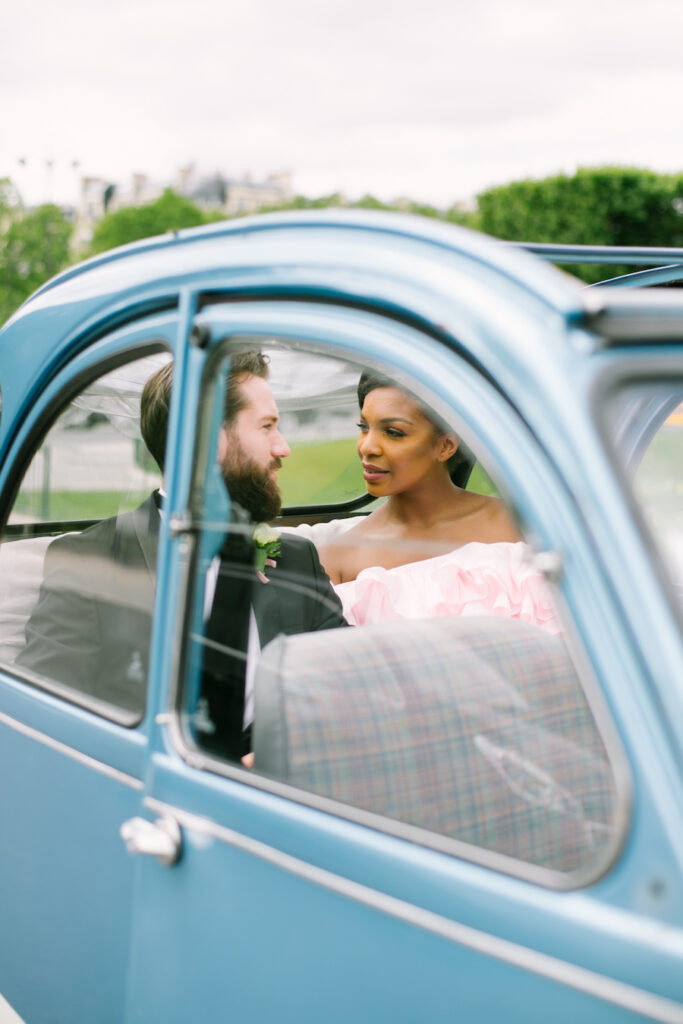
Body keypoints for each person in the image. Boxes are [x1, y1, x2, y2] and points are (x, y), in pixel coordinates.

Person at [17, 352, 348, 743]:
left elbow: (346, 684)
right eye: (267, 427)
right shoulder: (90, 561)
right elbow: (42, 720)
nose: (283, 448)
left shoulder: (295, 557)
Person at [320, 371, 559, 634]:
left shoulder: (521, 525)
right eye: (364, 427)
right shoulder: (337, 560)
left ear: (445, 446)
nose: (367, 447)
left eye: (393, 432)